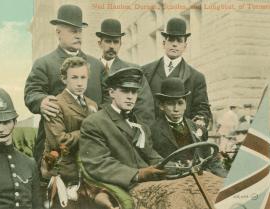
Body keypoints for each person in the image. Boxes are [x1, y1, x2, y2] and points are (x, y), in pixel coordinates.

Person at [79, 68, 223, 208]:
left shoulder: (140, 124)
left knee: (208, 184)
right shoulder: (95, 122)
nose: (130, 96)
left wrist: (178, 168)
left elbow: (152, 156)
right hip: (127, 184)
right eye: (124, 91)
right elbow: (98, 164)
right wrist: (138, 174)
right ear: (112, 93)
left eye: (134, 91)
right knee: (177, 196)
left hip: (150, 181)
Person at [24, 4, 105, 162]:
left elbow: (109, 97)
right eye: (72, 30)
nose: (78, 35)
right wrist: (41, 101)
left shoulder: (96, 65)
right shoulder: (44, 63)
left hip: (94, 146)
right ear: (58, 32)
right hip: (58, 146)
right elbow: (31, 92)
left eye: (80, 31)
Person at [41, 57, 116, 209]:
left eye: (83, 77)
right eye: (74, 77)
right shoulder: (56, 104)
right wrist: (89, 131)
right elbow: (60, 141)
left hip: (89, 175)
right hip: (64, 175)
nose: (80, 83)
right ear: (64, 79)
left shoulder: (92, 104)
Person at [142, 17, 211, 128]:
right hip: (150, 136)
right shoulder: (146, 72)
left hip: (180, 138)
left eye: (179, 41)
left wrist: (199, 121)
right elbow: (140, 105)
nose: (174, 44)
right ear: (164, 43)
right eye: (171, 40)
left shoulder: (196, 77)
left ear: (185, 46)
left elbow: (201, 109)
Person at [150, 78, 227, 177]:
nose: (176, 109)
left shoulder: (199, 129)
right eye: (170, 104)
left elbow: (211, 160)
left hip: (200, 178)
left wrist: (225, 179)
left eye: (180, 103)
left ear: (185, 104)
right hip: (171, 180)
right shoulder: (152, 131)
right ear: (161, 106)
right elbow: (153, 162)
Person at [96, 18, 155, 126]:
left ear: (120, 44)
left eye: (116, 42)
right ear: (100, 43)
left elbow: (145, 108)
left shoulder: (133, 71)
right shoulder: (90, 69)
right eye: (108, 41)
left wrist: (139, 132)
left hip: (125, 130)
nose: (112, 46)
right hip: (96, 128)